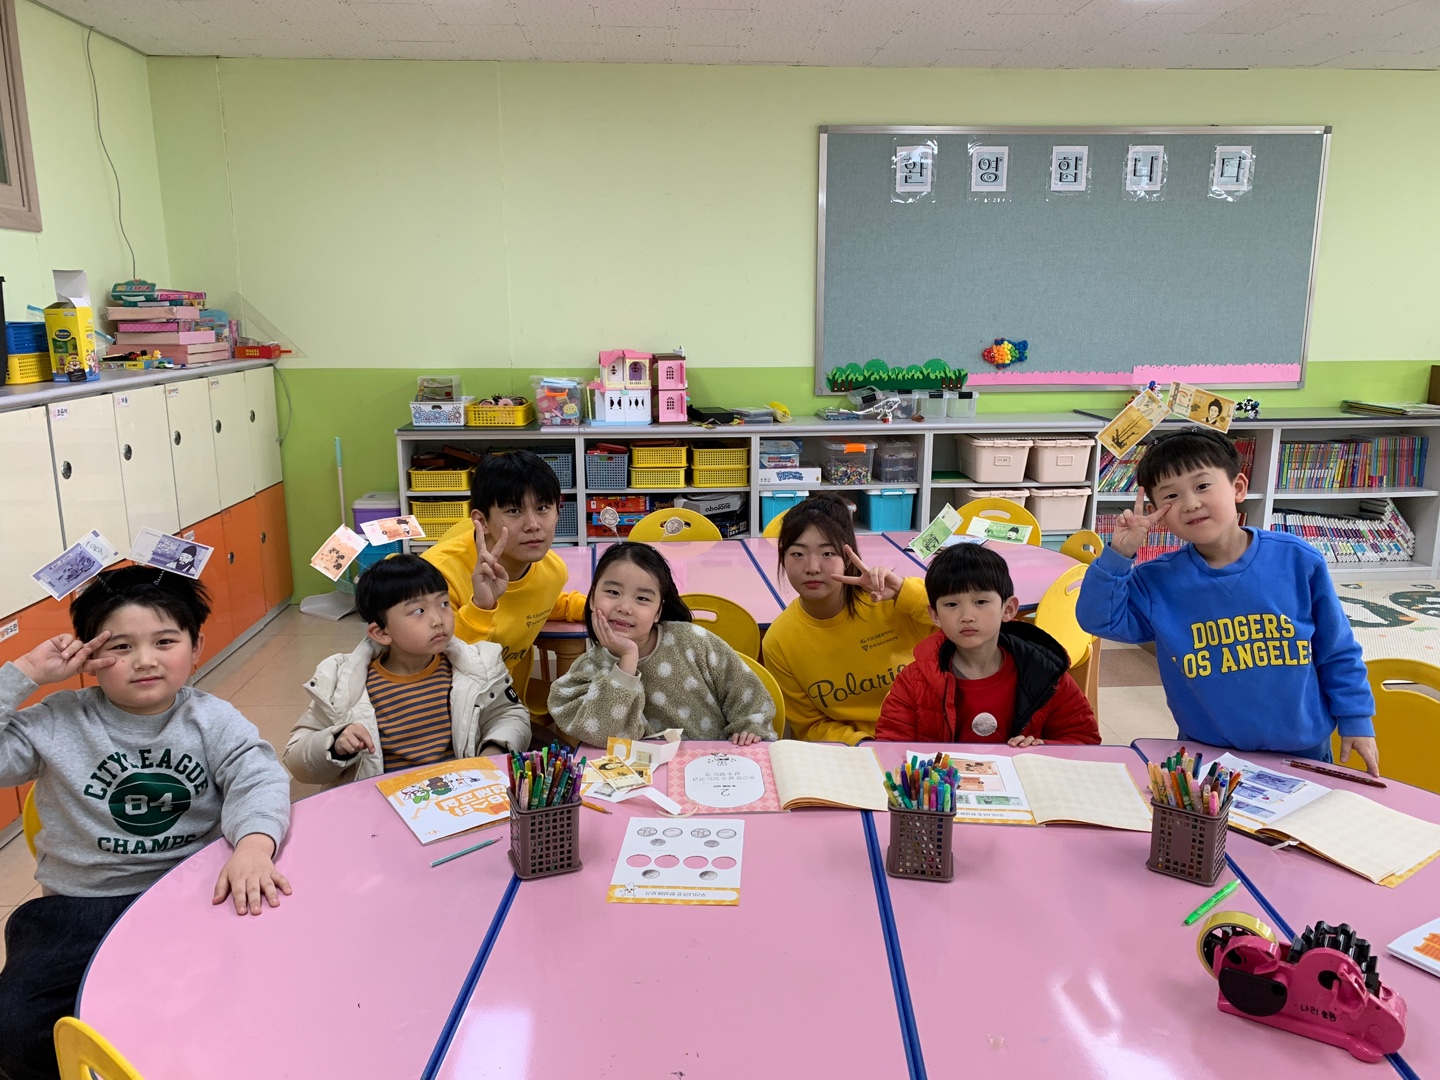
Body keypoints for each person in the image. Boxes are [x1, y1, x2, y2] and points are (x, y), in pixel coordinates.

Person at [0, 567, 291, 1080]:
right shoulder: (56, 720)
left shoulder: (213, 719)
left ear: (197, 647)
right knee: (16, 1030)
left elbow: (259, 777)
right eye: (122, 646)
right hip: (78, 906)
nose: (145, 660)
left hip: (192, 890)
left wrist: (253, 844)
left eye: (164, 641)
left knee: (250, 1002)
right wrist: (23, 671)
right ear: (87, 656)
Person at [1076, 426, 1379, 774]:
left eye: (1202, 486)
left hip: (1303, 747)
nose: (1191, 503)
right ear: (1156, 512)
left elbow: (1336, 649)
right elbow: (1098, 620)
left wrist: (1356, 718)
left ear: (1238, 487)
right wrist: (1119, 554)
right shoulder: (1157, 579)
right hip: (1206, 751)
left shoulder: (1297, 560)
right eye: (1171, 496)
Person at [283, 554, 530, 785]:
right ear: (381, 632)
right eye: (418, 611)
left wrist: (493, 750)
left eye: (444, 604)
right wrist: (335, 743)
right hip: (382, 801)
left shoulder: (474, 670)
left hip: (460, 794)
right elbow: (297, 759)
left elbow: (509, 715)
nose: (438, 620)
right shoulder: (345, 687)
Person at [548, 543, 775, 744]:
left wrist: (750, 726)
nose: (624, 607)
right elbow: (603, 736)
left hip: (708, 763)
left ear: (658, 611)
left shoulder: (693, 641)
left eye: (642, 598)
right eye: (613, 592)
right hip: (639, 772)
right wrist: (627, 660)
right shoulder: (588, 668)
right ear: (592, 598)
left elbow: (748, 693)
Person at [876, 545, 1099, 745]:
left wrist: (1043, 750)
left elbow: (1084, 739)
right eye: (951, 604)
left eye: (981, 602)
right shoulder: (914, 681)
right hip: (943, 780)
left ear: (1008, 609)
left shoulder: (1044, 672)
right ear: (935, 615)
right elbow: (889, 747)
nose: (967, 616)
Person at [761, 494, 933, 744]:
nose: (812, 567)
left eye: (827, 553)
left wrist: (903, 592)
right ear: (782, 559)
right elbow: (811, 726)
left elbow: (965, 624)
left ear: (848, 557)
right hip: (851, 752)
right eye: (797, 554)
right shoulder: (779, 641)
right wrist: (863, 744)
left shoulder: (894, 600)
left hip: (924, 741)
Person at [423, 450, 585, 701]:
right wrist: (481, 607)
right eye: (514, 511)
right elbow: (434, 662)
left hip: (507, 706)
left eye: (543, 508)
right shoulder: (435, 577)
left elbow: (542, 602)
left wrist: (600, 608)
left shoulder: (552, 570)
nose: (533, 524)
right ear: (482, 521)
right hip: (443, 708)